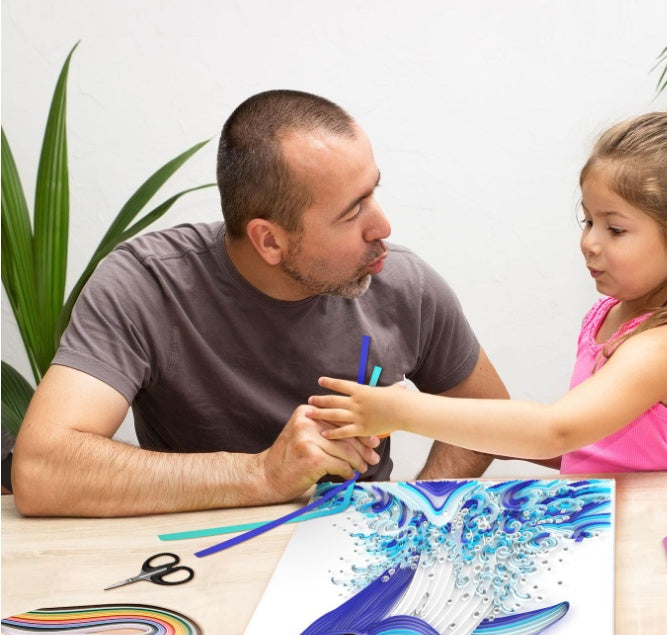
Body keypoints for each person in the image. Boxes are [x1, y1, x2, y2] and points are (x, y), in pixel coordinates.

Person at [11, 89, 509, 516]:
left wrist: (420, 509)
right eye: (352, 211)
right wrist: (262, 475)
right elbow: (40, 469)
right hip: (190, 563)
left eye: (372, 191)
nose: (383, 227)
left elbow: (490, 419)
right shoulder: (147, 284)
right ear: (269, 242)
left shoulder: (403, 284)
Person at [308, 112, 667, 473]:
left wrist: (402, 409)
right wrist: (503, 438)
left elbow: (557, 430)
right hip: (612, 526)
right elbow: (582, 445)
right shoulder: (609, 315)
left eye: (615, 229)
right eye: (588, 220)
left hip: (662, 541)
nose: (590, 242)